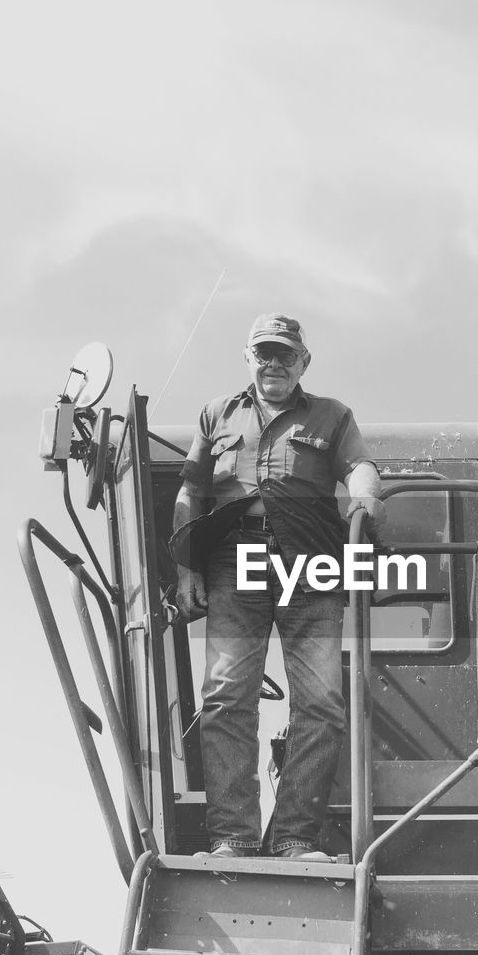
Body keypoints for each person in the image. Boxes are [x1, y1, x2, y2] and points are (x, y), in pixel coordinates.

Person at [171, 313, 383, 861]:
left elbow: (360, 465)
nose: (274, 363)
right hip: (232, 560)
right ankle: (233, 839)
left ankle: (294, 838)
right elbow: (190, 494)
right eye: (264, 353)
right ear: (248, 358)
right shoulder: (216, 413)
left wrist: (365, 497)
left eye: (285, 354)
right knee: (224, 697)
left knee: (322, 704)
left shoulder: (333, 415)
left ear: (303, 363)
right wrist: (187, 569)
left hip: (310, 564)